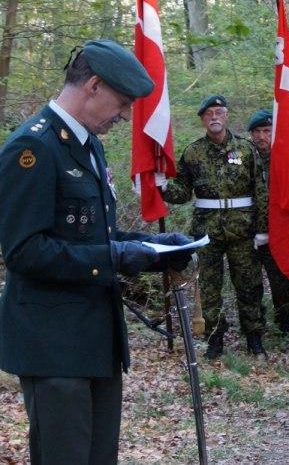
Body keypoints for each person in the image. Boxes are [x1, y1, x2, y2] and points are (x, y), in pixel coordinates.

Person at [0, 40, 196, 463]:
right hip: (53, 344)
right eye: (122, 103)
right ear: (92, 85)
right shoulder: (32, 149)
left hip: (94, 339)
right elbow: (24, 251)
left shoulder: (88, 144)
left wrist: (152, 247)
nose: (125, 115)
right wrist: (115, 256)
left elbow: (90, 233)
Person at [162, 95, 269, 359]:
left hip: (243, 229)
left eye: (219, 112)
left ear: (227, 115)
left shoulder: (246, 149)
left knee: (249, 284)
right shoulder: (193, 152)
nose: (214, 117)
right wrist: (159, 186)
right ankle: (215, 338)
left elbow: (261, 191)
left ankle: (254, 337)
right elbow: (183, 193)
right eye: (209, 113)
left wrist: (262, 229)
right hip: (207, 230)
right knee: (210, 287)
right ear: (202, 119)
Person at [247, 108, 289, 335]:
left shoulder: (286, 157)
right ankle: (254, 325)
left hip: (279, 229)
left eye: (267, 131)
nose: (261, 136)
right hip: (247, 228)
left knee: (282, 280)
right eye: (257, 131)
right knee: (249, 280)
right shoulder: (244, 156)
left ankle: (286, 324)